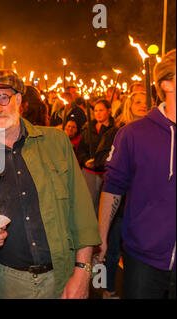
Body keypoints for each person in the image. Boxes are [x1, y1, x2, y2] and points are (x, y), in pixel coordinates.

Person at [0, 69, 100, 299]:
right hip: (5, 282)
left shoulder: (56, 142)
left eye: (3, 98)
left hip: (60, 277)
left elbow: (82, 214)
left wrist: (83, 272)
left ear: (18, 100)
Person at [97, 49, 176, 299]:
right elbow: (113, 187)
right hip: (143, 258)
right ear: (166, 83)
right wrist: (101, 237)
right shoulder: (133, 134)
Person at [93, 90, 148, 299]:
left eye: (145, 102)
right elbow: (102, 162)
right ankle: (108, 289)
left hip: (140, 207)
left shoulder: (162, 135)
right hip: (119, 204)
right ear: (129, 106)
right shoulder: (119, 132)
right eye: (138, 102)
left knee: (135, 256)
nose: (143, 105)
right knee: (111, 250)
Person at [77, 99, 114, 214]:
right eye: (96, 110)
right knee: (89, 204)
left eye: (101, 110)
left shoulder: (115, 130)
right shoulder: (88, 129)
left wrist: (100, 161)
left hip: (105, 172)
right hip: (89, 172)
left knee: (104, 206)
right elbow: (81, 149)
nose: (98, 113)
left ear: (109, 111)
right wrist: (85, 160)